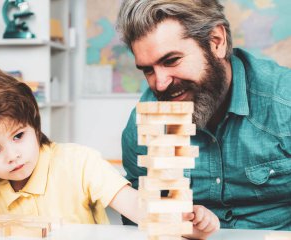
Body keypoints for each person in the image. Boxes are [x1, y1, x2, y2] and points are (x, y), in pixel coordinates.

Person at [0, 66, 219, 239]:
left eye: (18, 136)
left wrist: (191, 224)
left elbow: (139, 208)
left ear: (33, 125)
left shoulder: (78, 162)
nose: (12, 155)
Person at [117, 0, 291, 230]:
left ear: (216, 42)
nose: (159, 84)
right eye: (148, 69)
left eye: (171, 60)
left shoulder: (284, 103)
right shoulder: (141, 126)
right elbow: (137, 214)